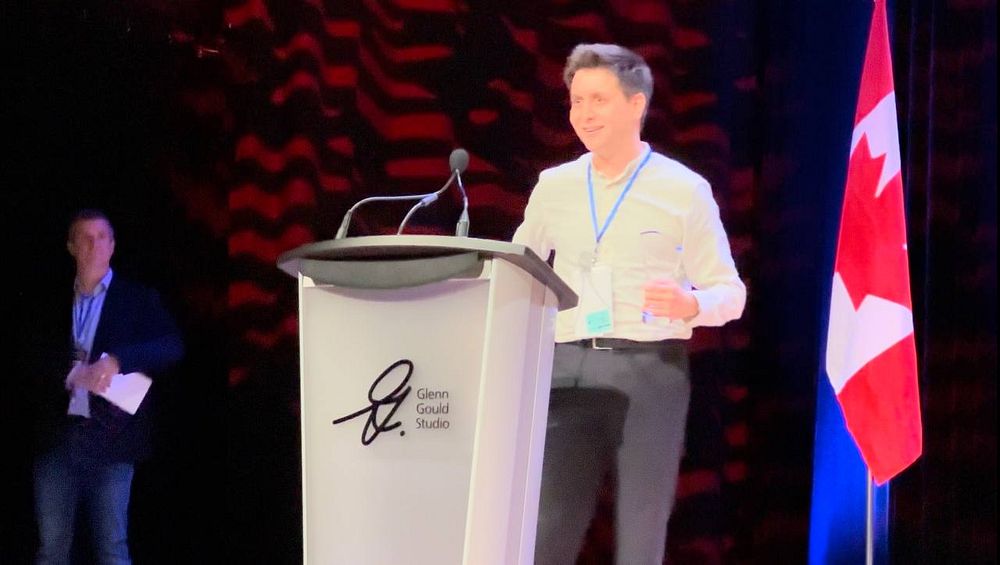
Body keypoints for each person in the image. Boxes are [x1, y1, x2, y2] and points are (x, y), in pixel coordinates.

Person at [513, 44, 746, 564]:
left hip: (650, 369)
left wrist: (690, 304)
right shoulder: (554, 187)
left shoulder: (684, 190)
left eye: (598, 99)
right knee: (548, 527)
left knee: (642, 532)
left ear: (636, 104)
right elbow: (518, 269)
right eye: (576, 101)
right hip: (567, 367)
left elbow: (731, 292)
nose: (584, 114)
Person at [29, 208, 184, 565]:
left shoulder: (137, 299)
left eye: (101, 237)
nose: (93, 244)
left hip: (112, 438)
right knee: (52, 548)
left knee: (112, 547)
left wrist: (117, 360)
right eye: (84, 238)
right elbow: (29, 354)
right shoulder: (50, 301)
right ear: (71, 247)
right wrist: (71, 373)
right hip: (57, 438)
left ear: (113, 245)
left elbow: (172, 346)